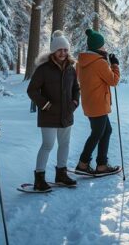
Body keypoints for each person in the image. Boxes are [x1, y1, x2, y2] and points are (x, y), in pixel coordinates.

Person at [27, 30, 80, 191]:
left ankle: (61, 175)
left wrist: (75, 102)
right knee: (48, 145)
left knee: (64, 144)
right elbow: (32, 90)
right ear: (53, 51)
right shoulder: (43, 69)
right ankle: (39, 179)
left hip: (66, 114)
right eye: (59, 50)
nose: (63, 53)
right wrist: (45, 105)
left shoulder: (71, 68)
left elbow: (76, 88)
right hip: (49, 115)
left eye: (65, 50)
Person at [74, 28, 121, 176]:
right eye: (103, 45)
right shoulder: (99, 63)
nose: (105, 47)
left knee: (106, 131)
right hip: (99, 103)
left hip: (89, 103)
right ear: (98, 46)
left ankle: (101, 164)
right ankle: (83, 163)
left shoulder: (81, 62)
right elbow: (113, 81)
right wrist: (114, 65)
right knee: (97, 134)